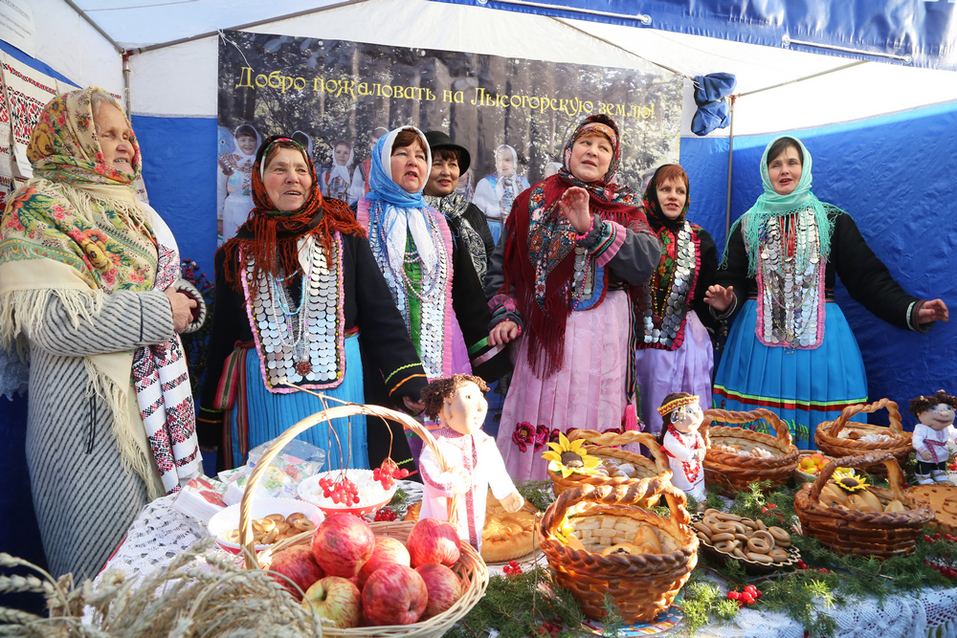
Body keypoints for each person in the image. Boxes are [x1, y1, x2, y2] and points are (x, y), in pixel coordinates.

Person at [0, 87, 204, 581]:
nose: (124, 145)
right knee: (104, 578)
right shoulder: (36, 208)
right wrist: (163, 311)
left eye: (124, 134)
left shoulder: (130, 207)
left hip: (155, 409)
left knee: (161, 573)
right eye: (105, 133)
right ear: (70, 138)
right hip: (89, 422)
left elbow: (154, 282)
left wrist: (186, 303)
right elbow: (56, 321)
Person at [199, 136, 427, 474]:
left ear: (312, 179)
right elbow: (224, 339)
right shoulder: (234, 253)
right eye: (279, 169)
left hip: (341, 399)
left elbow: (382, 317)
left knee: (342, 493)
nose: (293, 177)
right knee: (274, 503)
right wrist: (210, 417)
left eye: (301, 169)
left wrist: (410, 381)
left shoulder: (344, 238)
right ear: (260, 181)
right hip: (263, 401)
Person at [705, 135, 949, 448]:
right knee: (753, 442)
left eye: (792, 162)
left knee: (827, 439)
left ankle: (821, 484)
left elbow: (867, 278)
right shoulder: (748, 224)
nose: (785, 170)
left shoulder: (833, 221)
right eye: (776, 163)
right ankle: (753, 485)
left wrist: (912, 310)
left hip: (822, 343)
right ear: (766, 172)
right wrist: (727, 300)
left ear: (804, 167)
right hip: (756, 344)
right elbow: (731, 277)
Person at [485, 114, 662, 482]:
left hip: (604, 338)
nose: (592, 152)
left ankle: (595, 502)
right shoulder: (532, 201)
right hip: (543, 339)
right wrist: (507, 314)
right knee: (542, 415)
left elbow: (646, 262)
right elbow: (503, 270)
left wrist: (593, 229)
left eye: (603, 147)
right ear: (569, 150)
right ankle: (531, 496)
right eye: (585, 143)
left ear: (612, 160)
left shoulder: (626, 206)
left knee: (595, 421)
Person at [634, 164, 718, 435]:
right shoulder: (633, 234)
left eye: (680, 191)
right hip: (636, 341)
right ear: (651, 193)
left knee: (684, 418)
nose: (673, 196)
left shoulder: (700, 239)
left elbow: (708, 297)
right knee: (641, 407)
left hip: (686, 343)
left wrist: (720, 304)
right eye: (665, 189)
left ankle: (685, 472)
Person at [418, 374, 523, 551]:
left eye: (481, 396)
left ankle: (472, 564)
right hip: (443, 514)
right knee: (442, 546)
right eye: (468, 397)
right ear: (446, 409)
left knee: (473, 541)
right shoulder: (438, 442)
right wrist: (449, 483)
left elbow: (496, 469)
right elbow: (427, 471)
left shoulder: (484, 441)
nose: (481, 406)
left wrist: (506, 492)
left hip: (476, 508)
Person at [471, 143, 530, 245]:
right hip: (493, 232)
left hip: (517, 233)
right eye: (500, 160)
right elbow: (477, 217)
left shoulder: (523, 183)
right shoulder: (485, 183)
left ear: (514, 162)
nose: (504, 164)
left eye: (508, 160)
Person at [656, 393, 706, 502]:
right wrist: (696, 454)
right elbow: (683, 455)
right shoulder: (670, 438)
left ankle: (700, 496)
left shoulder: (693, 431)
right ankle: (690, 502)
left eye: (698, 409)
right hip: (679, 467)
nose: (697, 415)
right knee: (684, 485)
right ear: (674, 417)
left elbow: (699, 439)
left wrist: (702, 446)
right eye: (689, 411)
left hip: (695, 464)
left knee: (698, 480)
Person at [219, 123, 261, 241]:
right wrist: (219, 217)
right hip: (232, 209)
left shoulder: (262, 162)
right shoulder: (227, 161)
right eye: (243, 140)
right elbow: (220, 190)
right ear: (236, 141)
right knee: (234, 244)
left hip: (255, 210)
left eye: (251, 140)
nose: (247, 144)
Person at [909, 390, 957, 485]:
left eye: (948, 408)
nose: (945, 414)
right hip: (926, 454)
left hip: (942, 453)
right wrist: (922, 450)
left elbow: (954, 432)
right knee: (924, 466)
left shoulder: (947, 427)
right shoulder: (921, 428)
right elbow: (916, 440)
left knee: (940, 465)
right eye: (934, 409)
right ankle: (923, 478)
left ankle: (940, 475)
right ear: (919, 413)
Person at [348, 126, 388, 206]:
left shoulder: (394, 167)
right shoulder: (362, 167)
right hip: (366, 211)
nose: (377, 147)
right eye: (374, 143)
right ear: (370, 144)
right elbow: (354, 195)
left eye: (380, 143)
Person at [321, 139, 354, 203]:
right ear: (334, 153)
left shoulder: (355, 174)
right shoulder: (326, 174)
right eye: (338, 152)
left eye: (346, 153)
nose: (341, 156)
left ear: (351, 155)